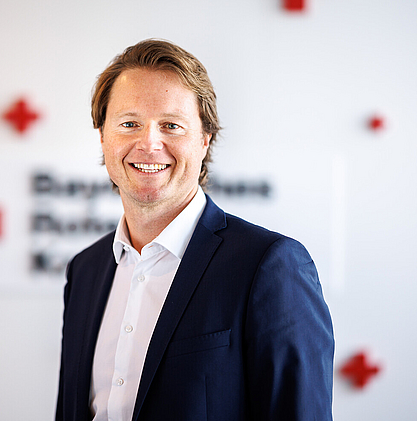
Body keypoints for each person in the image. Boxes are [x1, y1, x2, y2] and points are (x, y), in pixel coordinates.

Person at [56, 39, 334, 421]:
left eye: (171, 125)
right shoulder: (84, 270)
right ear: (103, 136)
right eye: (129, 123)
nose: (148, 143)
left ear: (205, 140)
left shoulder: (269, 266)